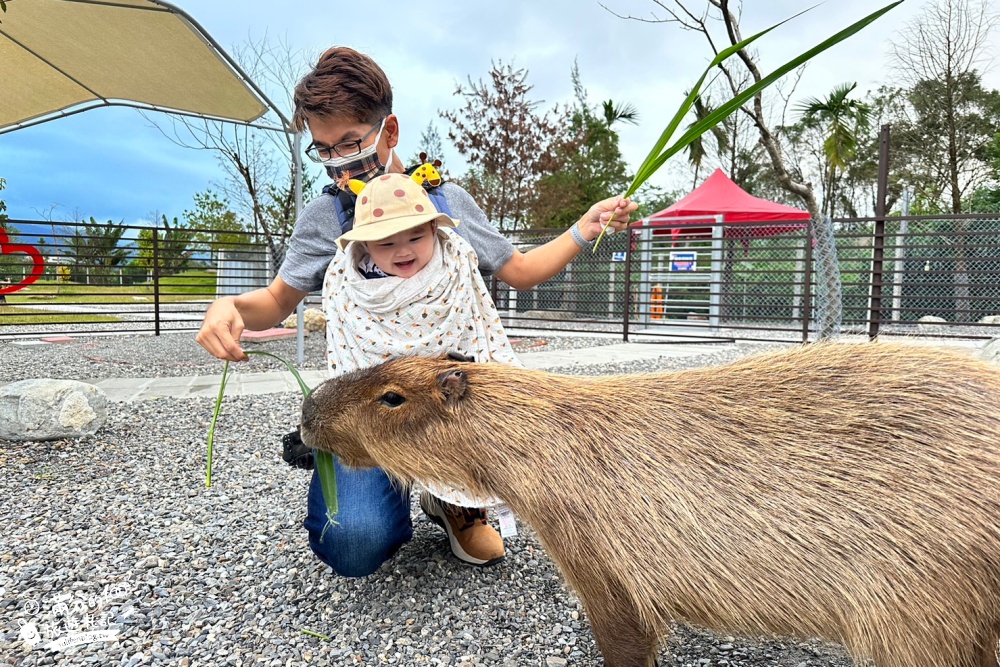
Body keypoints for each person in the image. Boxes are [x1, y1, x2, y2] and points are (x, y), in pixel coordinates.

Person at [196, 46, 637, 577]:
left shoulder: (446, 202)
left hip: (444, 404)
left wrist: (579, 230)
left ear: (390, 131)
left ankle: (450, 501)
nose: (339, 159)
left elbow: (517, 268)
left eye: (352, 141)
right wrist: (231, 306)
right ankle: (392, 492)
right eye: (323, 148)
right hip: (368, 405)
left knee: (491, 435)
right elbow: (275, 302)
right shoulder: (326, 215)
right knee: (353, 546)